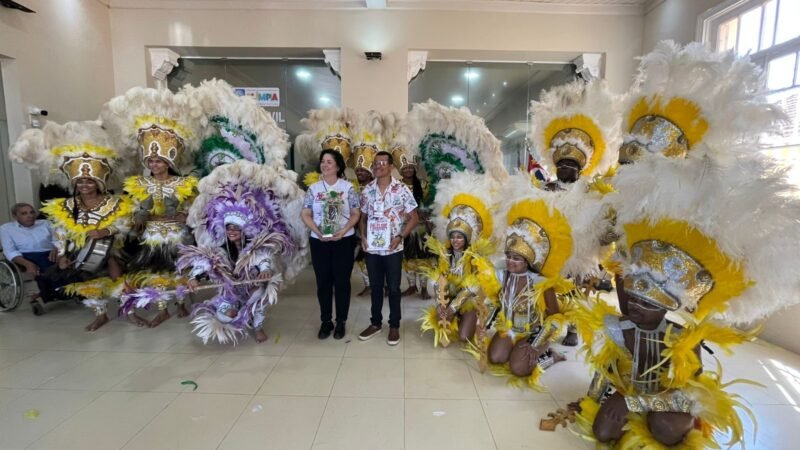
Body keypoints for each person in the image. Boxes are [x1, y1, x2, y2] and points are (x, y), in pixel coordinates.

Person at [9, 121, 133, 331]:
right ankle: (100, 314)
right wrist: (61, 252)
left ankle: (128, 309)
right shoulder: (65, 206)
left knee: (114, 265)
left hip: (111, 248)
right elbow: (60, 231)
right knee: (83, 279)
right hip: (78, 252)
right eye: (80, 182)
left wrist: (105, 230)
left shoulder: (115, 202)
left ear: (99, 182)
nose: (85, 185)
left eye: (90, 181)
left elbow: (126, 224)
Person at [101, 86, 204, 327]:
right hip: (152, 236)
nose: (155, 164)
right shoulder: (139, 184)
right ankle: (162, 308)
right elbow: (133, 209)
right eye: (151, 160)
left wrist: (186, 216)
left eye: (159, 160)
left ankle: (181, 303)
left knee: (180, 270)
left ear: (169, 161)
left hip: (178, 235)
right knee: (154, 273)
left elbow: (196, 209)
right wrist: (136, 219)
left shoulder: (185, 183)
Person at [529, 79, 622, 347]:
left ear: (580, 168)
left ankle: (571, 328)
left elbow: (603, 228)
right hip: (550, 249)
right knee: (546, 289)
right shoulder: (544, 189)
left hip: (578, 252)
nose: (565, 169)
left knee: (574, 291)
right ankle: (545, 323)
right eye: (562, 164)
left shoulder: (592, 193)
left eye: (571, 164)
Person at [174, 161, 307, 345]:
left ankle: (257, 327)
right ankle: (239, 315)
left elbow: (264, 259)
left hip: (253, 287)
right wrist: (194, 277)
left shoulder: (255, 246)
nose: (232, 232)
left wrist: (264, 272)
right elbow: (206, 261)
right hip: (231, 290)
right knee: (225, 316)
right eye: (229, 229)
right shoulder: (220, 247)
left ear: (244, 229)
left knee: (257, 300)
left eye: (236, 228)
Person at [418, 172, 496, 348]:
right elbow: (438, 278)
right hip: (450, 296)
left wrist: (453, 308)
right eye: (452, 237)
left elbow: (473, 286)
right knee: (442, 323)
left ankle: (472, 318)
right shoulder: (445, 253)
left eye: (459, 237)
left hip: (468, 300)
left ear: (467, 239)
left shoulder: (476, 257)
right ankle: (455, 315)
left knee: (463, 337)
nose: (455, 241)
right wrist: (441, 304)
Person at [358, 151, 419, 346]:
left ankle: (394, 325)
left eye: (383, 163)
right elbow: (362, 217)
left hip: (393, 248)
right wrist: (363, 237)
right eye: (375, 163)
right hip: (372, 249)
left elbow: (414, 217)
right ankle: (375, 323)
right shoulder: (367, 190)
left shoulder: (401, 189)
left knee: (393, 288)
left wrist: (400, 235)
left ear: (391, 166)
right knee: (375, 288)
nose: (378, 166)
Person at [302, 149, 360, 340]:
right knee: (323, 282)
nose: (324, 165)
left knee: (342, 282)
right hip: (319, 241)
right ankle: (326, 321)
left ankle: (341, 321)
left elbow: (355, 213)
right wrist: (318, 232)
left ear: (337, 166)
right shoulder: (314, 189)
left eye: (329, 162)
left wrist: (343, 231)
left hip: (343, 240)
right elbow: (306, 213)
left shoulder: (348, 188)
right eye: (322, 161)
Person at [0, 203, 57, 276]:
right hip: (25, 255)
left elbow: (59, 239)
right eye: (24, 213)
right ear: (15, 216)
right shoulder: (6, 228)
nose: (30, 216)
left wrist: (56, 248)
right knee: (49, 268)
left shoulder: (46, 223)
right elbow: (10, 251)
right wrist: (27, 264)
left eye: (32, 212)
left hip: (50, 253)